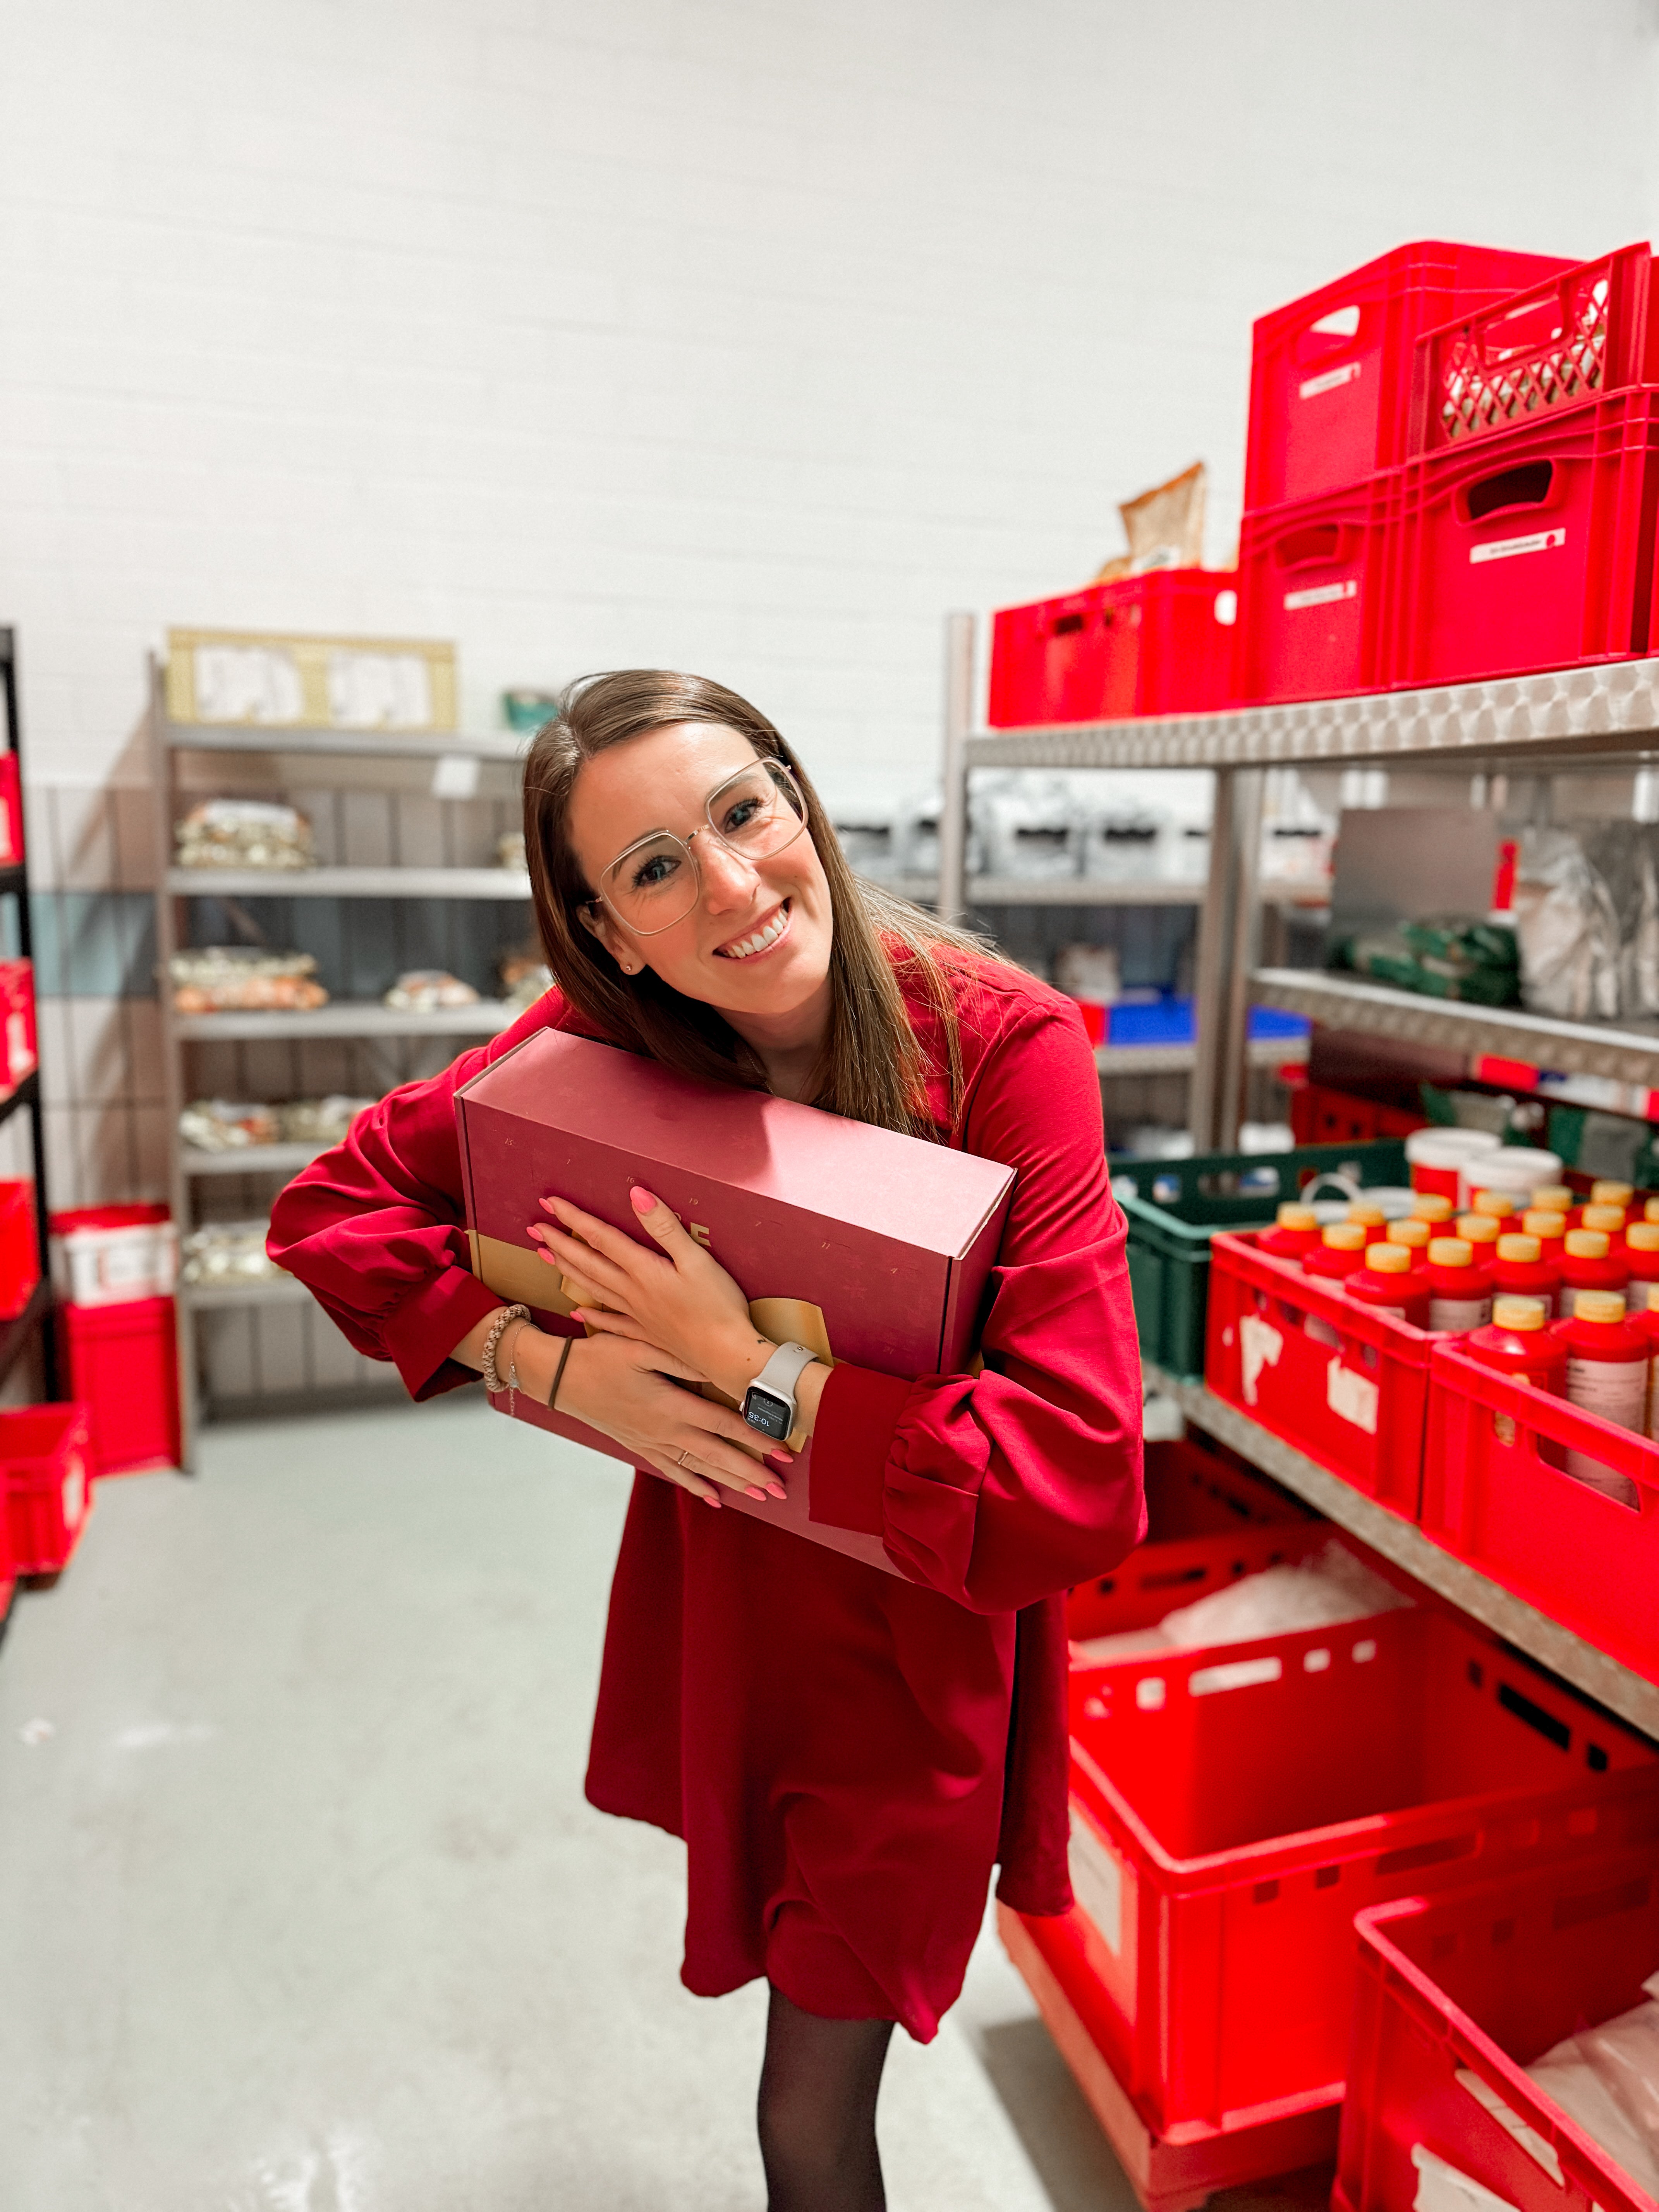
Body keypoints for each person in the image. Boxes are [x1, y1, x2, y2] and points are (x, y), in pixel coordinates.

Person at [269, 669, 1145, 2212]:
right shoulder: (613, 1044)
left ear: (799, 800)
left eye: (745, 812)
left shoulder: (1007, 1050)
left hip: (910, 1647)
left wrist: (748, 1369)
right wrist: (549, 1368)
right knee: (797, 2061)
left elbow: (1070, 1478)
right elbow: (332, 1208)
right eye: (659, 867)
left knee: (810, 2115)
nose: (736, 885)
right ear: (613, 934)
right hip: (734, 1602)